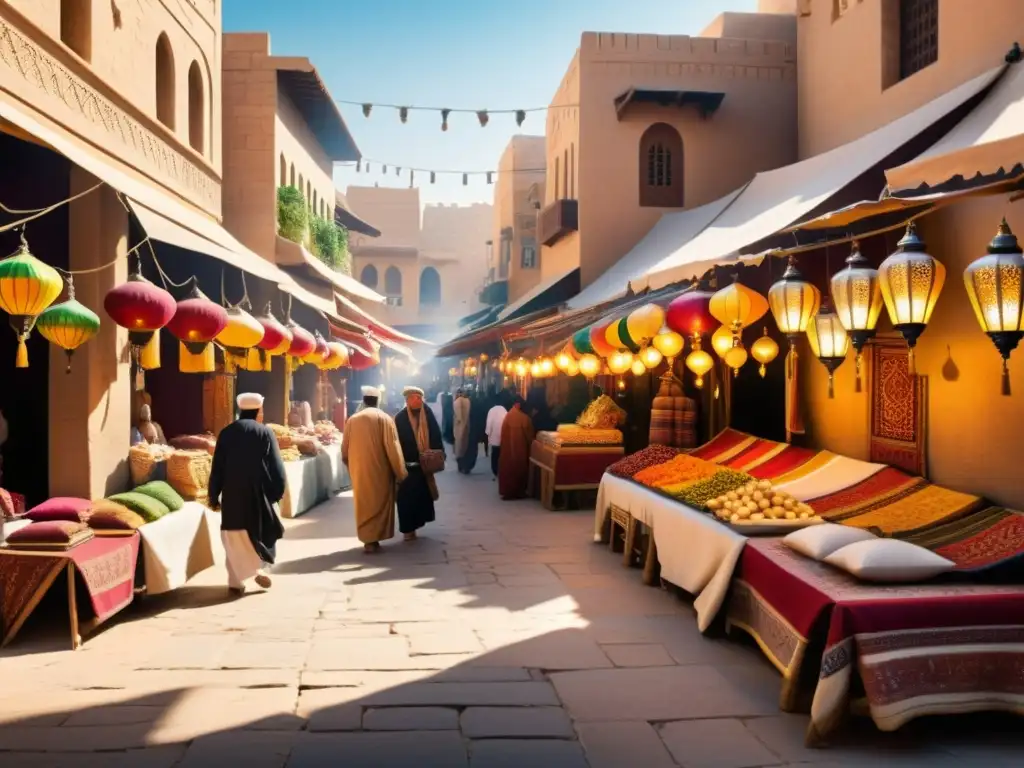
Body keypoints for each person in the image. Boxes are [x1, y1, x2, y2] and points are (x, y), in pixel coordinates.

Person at [209, 393, 286, 595]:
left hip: (232, 493)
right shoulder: (265, 432)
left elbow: (217, 467)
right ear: (258, 411)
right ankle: (257, 569)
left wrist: (213, 495)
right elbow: (276, 466)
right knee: (257, 533)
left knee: (233, 535)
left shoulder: (226, 433)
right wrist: (278, 491)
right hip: (257, 493)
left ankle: (235, 581)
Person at [342, 386, 408, 554]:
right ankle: (375, 538)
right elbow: (393, 447)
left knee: (363, 503)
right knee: (379, 503)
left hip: (359, 470)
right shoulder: (385, 418)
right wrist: (400, 472)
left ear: (364, 401)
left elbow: (344, 449)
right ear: (378, 401)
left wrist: (351, 465)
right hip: (380, 471)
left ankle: (368, 540)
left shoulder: (353, 419)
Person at [393, 386, 444, 541]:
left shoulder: (427, 415)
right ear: (407, 400)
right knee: (405, 500)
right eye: (414, 397)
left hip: (423, 466)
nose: (418, 400)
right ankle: (408, 530)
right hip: (406, 466)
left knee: (421, 499)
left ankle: (416, 525)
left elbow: (436, 435)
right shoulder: (400, 418)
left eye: (419, 397)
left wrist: (435, 452)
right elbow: (395, 442)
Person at [498, 396, 535, 500]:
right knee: (520, 469)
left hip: (507, 451)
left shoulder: (507, 416)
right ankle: (519, 491)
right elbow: (530, 437)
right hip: (521, 451)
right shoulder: (525, 418)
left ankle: (508, 492)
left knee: (508, 469)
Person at [485, 392, 508, 481]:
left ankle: (495, 472)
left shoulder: (491, 410)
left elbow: (489, 424)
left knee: (494, 455)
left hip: (494, 437)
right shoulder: (504, 410)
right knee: (501, 455)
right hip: (502, 436)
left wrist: (488, 433)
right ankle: (501, 471)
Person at [453, 389, 472, 473]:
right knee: (465, 446)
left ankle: (460, 465)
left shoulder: (456, 402)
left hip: (459, 428)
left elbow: (458, 417)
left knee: (459, 446)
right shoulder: (468, 401)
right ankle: (465, 466)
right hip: (467, 427)